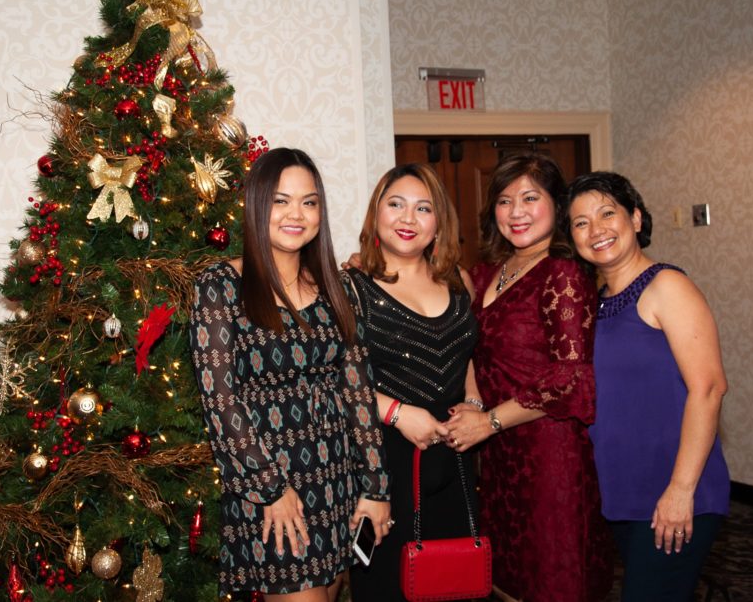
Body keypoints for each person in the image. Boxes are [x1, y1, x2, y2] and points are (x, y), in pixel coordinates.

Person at [189, 147, 391, 601]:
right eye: (280, 201)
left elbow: (358, 394)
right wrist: (270, 489)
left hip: (338, 481)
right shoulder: (220, 287)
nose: (296, 214)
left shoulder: (338, 288)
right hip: (273, 491)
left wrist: (376, 486)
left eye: (309, 201)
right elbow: (221, 403)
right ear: (257, 206)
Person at [444, 153, 612, 602]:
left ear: (557, 206)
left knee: (551, 577)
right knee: (507, 577)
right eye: (504, 201)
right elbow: (470, 348)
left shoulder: (563, 272)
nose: (515, 211)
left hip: (549, 452)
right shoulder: (487, 272)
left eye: (530, 198)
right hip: (499, 449)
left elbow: (569, 376)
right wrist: (476, 407)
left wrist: (490, 420)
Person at [567, 171, 730, 602]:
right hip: (623, 490)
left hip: (672, 489)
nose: (596, 230)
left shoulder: (666, 286)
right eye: (581, 222)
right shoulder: (594, 302)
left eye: (607, 214)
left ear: (636, 219)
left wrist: (680, 490)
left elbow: (709, 388)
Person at [344, 164, 479, 602]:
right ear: (376, 214)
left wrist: (474, 400)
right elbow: (331, 380)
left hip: (455, 459)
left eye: (423, 208)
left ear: (439, 222)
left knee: (454, 582)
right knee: (387, 586)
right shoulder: (349, 287)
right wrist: (398, 413)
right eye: (396, 204)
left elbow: (466, 352)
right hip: (380, 462)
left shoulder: (459, 282)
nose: (408, 219)